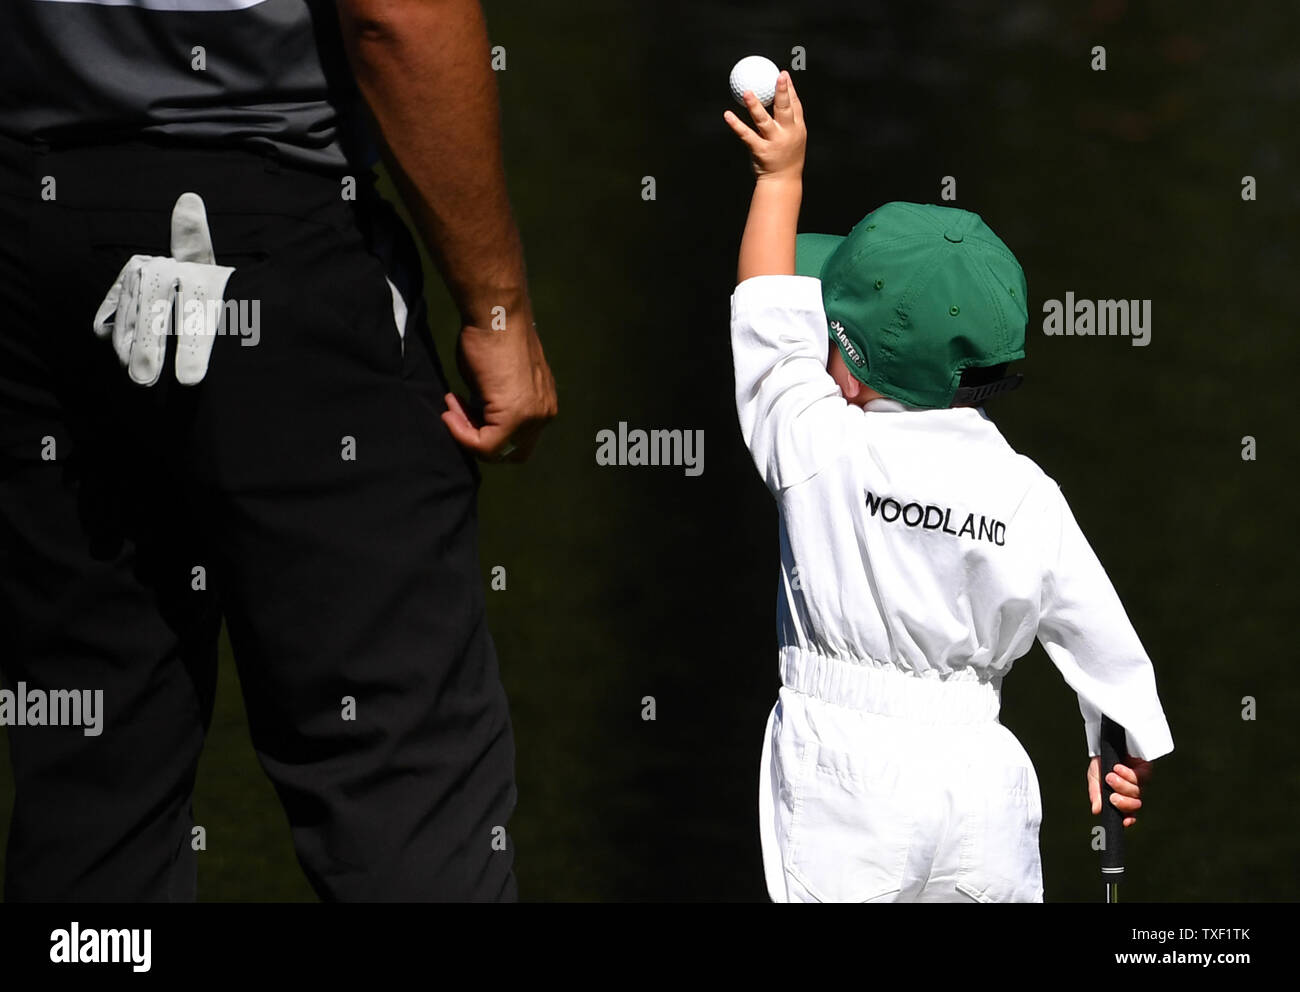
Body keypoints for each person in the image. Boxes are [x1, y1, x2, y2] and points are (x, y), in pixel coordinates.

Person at [0, 0, 555, 901]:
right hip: (273, 219)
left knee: (95, 777)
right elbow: (396, 17)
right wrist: (499, 309)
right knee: (399, 780)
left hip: (41, 222)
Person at [724, 72, 1172, 902]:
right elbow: (1102, 646)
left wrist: (779, 177)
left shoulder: (818, 444)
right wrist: (1122, 749)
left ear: (849, 361)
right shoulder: (1026, 492)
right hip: (981, 781)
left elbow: (763, 313)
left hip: (844, 781)